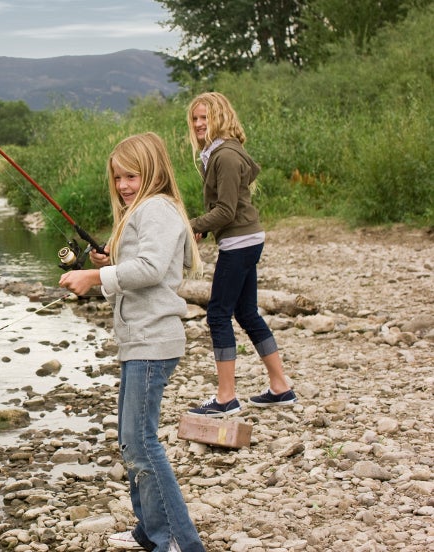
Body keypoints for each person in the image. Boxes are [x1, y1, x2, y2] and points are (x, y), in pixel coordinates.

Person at [59, 132, 205, 552]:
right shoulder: (142, 209)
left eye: (131, 176)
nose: (122, 185)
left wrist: (95, 276)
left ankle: (179, 541)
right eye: (117, 177)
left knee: (142, 442)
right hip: (138, 341)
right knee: (130, 441)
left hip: (152, 341)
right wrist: (113, 263)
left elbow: (152, 268)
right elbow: (139, 267)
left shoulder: (157, 208)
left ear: (153, 172)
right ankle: (150, 529)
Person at [184, 91, 297, 417]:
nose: (199, 123)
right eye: (195, 118)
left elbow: (226, 210)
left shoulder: (226, 156)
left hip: (240, 241)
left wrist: (191, 225)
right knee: (246, 313)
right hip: (245, 238)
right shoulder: (219, 153)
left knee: (218, 314)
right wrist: (204, 229)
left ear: (220, 118)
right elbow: (225, 209)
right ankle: (280, 387)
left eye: (205, 117)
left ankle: (226, 398)